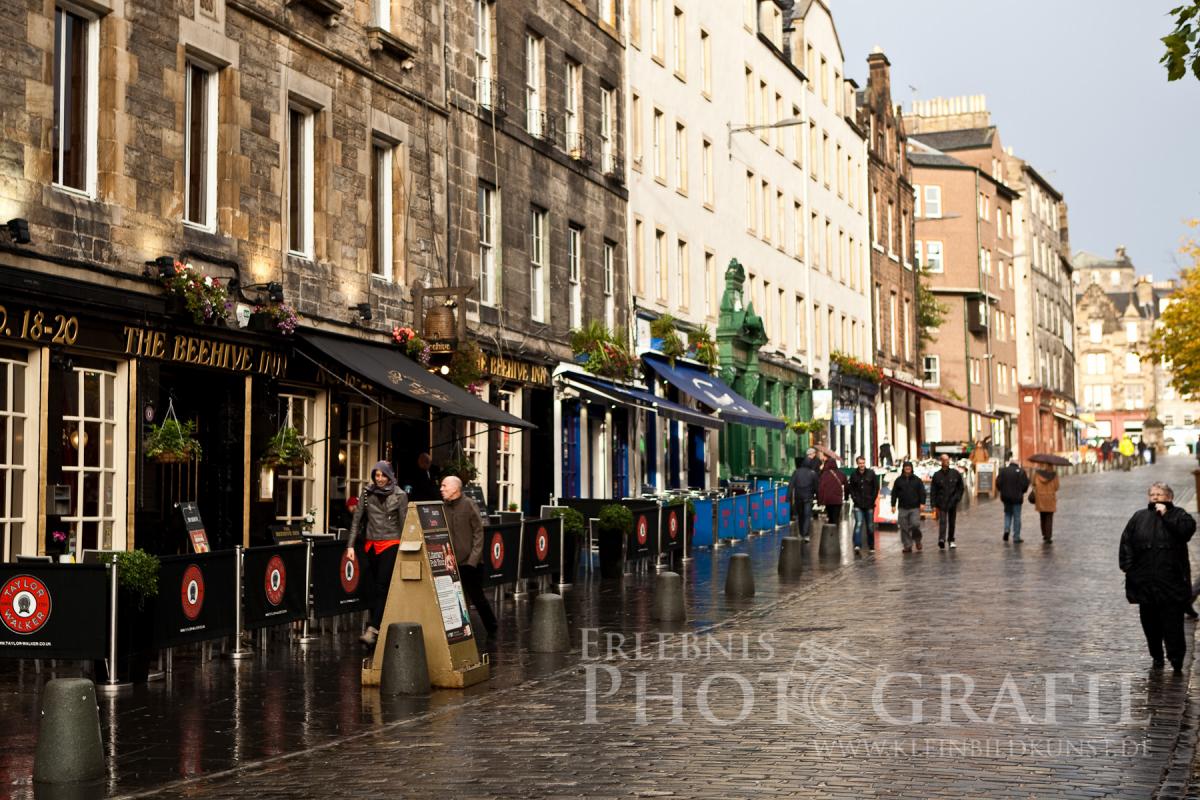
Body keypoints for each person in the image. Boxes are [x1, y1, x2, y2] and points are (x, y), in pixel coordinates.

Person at [1119, 482, 1197, 673]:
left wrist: (1166, 515)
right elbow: (1126, 541)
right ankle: (1157, 656)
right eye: (1152, 494)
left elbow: (1186, 532)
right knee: (1150, 625)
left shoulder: (1180, 516)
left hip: (1171, 583)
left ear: (1169, 497)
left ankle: (1176, 660)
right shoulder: (1139, 517)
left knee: (1173, 626)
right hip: (1145, 583)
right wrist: (1128, 568)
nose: (1155, 497)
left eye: (1159, 494)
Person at [346, 461, 408, 646]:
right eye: (377, 475)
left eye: (383, 475)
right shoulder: (367, 493)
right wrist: (350, 546)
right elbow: (357, 520)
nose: (379, 479)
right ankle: (377, 630)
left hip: (391, 542)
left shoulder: (400, 495)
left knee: (382, 585)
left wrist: (406, 548)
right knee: (371, 589)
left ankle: (372, 629)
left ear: (390, 476)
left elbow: (404, 523)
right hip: (371, 544)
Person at [440, 475, 497, 638]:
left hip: (471, 563)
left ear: (455, 488)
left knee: (477, 597)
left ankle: (492, 627)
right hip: (452, 562)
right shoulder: (443, 507)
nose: (441, 489)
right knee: (455, 598)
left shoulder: (469, 504)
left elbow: (479, 533)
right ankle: (460, 631)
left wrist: (473, 560)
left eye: (444, 486)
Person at [930, 454, 965, 549]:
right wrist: (933, 504)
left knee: (952, 522)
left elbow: (961, 487)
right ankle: (941, 539)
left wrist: (957, 498)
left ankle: (951, 539)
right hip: (941, 502)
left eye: (948, 459)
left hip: (952, 501)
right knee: (942, 521)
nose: (947, 461)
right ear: (941, 461)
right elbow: (933, 490)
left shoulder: (955, 473)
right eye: (945, 460)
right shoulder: (937, 475)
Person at [890, 462, 925, 553]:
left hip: (914, 507)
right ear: (903, 468)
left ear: (912, 468)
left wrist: (922, 503)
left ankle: (917, 541)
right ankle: (907, 545)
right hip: (902, 507)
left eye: (909, 467)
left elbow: (922, 492)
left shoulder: (917, 480)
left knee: (915, 525)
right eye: (906, 467)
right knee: (904, 527)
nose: (907, 468)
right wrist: (893, 505)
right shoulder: (898, 480)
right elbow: (894, 493)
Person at [995, 452, 1030, 543]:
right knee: (1017, 517)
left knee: (1008, 514)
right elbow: (1025, 484)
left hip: (1006, 497)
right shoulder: (1021, 471)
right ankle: (1016, 536)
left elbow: (998, 483)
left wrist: (1002, 490)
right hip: (1017, 498)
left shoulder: (1003, 471)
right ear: (1017, 462)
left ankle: (1007, 529)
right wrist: (1022, 491)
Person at [847, 456, 879, 553]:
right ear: (857, 463)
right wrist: (854, 498)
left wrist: (872, 499)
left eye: (863, 463)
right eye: (860, 463)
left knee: (870, 526)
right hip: (858, 504)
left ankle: (871, 545)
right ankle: (857, 545)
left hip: (869, 504)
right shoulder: (854, 474)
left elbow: (876, 487)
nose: (862, 465)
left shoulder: (871, 473)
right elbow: (851, 488)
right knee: (859, 523)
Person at [787, 456, 819, 542]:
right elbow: (817, 487)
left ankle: (801, 533)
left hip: (798, 497)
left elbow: (791, 485)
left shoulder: (796, 472)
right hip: (808, 497)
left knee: (801, 516)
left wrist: (788, 497)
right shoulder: (813, 473)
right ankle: (805, 534)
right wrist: (818, 498)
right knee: (807, 516)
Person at [1030, 465, 1060, 542]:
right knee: (1049, 518)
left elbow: (1033, 483)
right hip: (1050, 499)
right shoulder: (1054, 475)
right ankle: (1048, 536)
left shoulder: (1037, 474)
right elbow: (1057, 487)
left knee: (1042, 517)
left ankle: (1044, 534)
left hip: (1040, 498)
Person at [817, 456, 848, 525]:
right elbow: (846, 487)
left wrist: (820, 500)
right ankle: (835, 530)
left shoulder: (824, 474)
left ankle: (831, 529)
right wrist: (846, 497)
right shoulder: (842, 474)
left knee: (830, 517)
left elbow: (821, 488)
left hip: (828, 500)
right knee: (836, 518)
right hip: (838, 499)